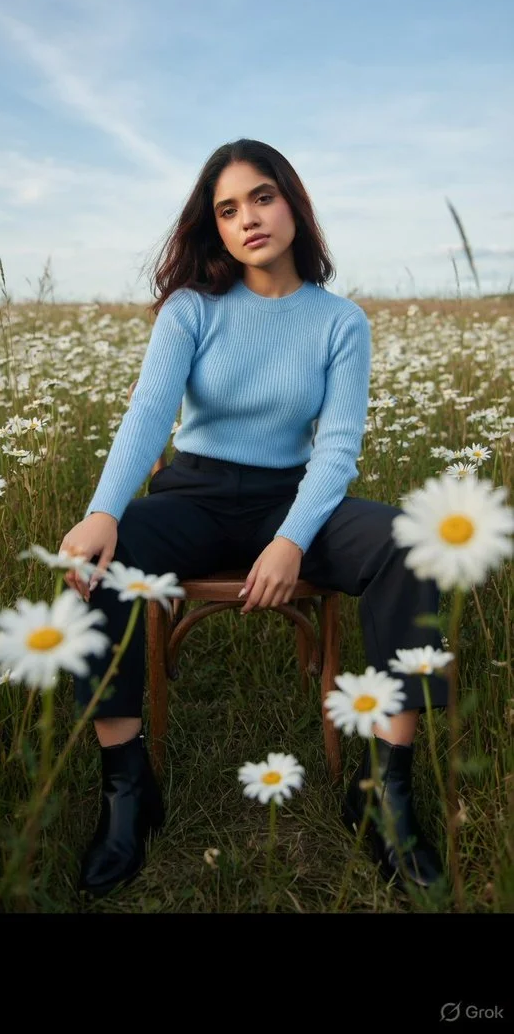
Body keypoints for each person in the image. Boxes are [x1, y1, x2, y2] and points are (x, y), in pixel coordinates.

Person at [60, 138, 448, 899]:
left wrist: (289, 539)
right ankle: (127, 792)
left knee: (416, 542)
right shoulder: (191, 309)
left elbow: (335, 453)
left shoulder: (340, 322)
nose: (248, 219)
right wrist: (103, 510)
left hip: (295, 497)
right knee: (95, 559)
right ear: (216, 227)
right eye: (228, 209)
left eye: (261, 197)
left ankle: (382, 791)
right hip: (193, 494)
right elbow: (148, 413)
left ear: (292, 204)